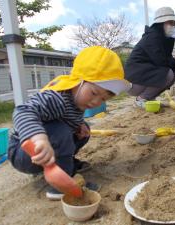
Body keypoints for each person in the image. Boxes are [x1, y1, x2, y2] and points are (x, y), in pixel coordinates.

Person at [7, 46, 130, 200]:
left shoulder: (77, 100)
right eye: (93, 93)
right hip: (24, 151)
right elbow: (23, 111)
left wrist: (79, 125)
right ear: (78, 81)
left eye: (103, 99)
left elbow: (68, 117)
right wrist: (38, 139)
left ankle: (64, 165)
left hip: (44, 151)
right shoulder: (57, 98)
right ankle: (63, 184)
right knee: (61, 131)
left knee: (84, 131)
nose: (96, 102)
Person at [124, 6, 175, 107]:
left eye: (173, 23)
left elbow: (165, 61)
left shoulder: (162, 39)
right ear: (161, 23)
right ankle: (141, 99)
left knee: (173, 74)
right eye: (170, 23)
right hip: (133, 81)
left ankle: (149, 98)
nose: (173, 26)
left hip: (142, 77)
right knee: (168, 74)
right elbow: (161, 61)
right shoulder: (152, 37)